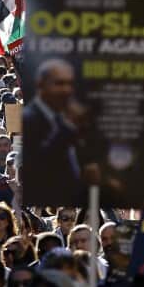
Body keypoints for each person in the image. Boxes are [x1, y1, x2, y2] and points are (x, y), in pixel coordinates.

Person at [23, 59, 99, 205]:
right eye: (59, 84)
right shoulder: (29, 119)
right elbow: (38, 165)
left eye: (69, 84)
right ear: (40, 85)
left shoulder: (63, 116)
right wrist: (69, 127)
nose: (66, 90)